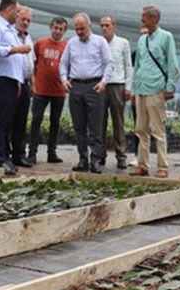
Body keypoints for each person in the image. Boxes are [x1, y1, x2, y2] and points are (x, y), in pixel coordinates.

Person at [0, 0, 32, 176]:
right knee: (1, 120)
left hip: (12, 81)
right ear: (9, 9)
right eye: (17, 11)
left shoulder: (9, 29)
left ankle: (7, 157)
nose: (19, 15)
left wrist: (18, 81)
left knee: (9, 121)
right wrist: (16, 49)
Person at [59, 13, 113, 173]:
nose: (80, 32)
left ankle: (95, 160)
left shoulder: (100, 42)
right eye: (77, 29)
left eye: (82, 28)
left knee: (96, 127)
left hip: (94, 86)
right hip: (75, 86)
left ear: (89, 26)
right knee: (79, 126)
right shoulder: (71, 43)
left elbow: (108, 63)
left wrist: (104, 82)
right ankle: (82, 159)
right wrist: (64, 79)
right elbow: (63, 64)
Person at [129, 5, 178, 178]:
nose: (142, 20)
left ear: (154, 19)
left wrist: (170, 87)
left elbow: (172, 63)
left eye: (145, 17)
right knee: (141, 128)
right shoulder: (142, 40)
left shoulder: (166, 37)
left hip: (156, 88)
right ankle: (142, 165)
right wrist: (133, 89)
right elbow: (138, 65)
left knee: (157, 129)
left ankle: (162, 166)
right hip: (141, 88)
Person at [27, 17, 68, 165]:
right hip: (40, 90)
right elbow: (33, 64)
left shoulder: (66, 46)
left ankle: (52, 152)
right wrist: (33, 83)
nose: (57, 31)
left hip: (59, 90)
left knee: (55, 122)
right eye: (55, 28)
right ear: (50, 27)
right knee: (36, 120)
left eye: (60, 29)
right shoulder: (40, 44)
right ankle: (32, 152)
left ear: (64, 31)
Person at [99, 16, 133, 170]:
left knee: (118, 122)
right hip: (101, 85)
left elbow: (128, 66)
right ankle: (100, 154)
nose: (105, 28)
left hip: (117, 85)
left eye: (107, 25)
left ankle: (121, 155)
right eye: (102, 26)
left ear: (114, 26)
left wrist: (128, 87)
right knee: (99, 122)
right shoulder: (98, 42)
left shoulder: (123, 43)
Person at [10, 6, 34, 167]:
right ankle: (6, 153)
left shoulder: (28, 37)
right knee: (9, 119)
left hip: (25, 83)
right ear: (16, 17)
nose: (25, 23)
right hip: (13, 82)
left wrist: (33, 82)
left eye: (28, 20)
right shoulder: (10, 35)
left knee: (21, 120)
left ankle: (19, 154)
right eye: (23, 19)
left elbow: (31, 61)